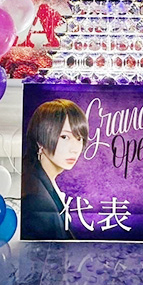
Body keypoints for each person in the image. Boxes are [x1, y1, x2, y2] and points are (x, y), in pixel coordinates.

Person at [21, 99, 88, 240]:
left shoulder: (40, 181)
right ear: (40, 139)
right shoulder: (36, 199)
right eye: (64, 137)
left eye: (79, 138)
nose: (74, 149)